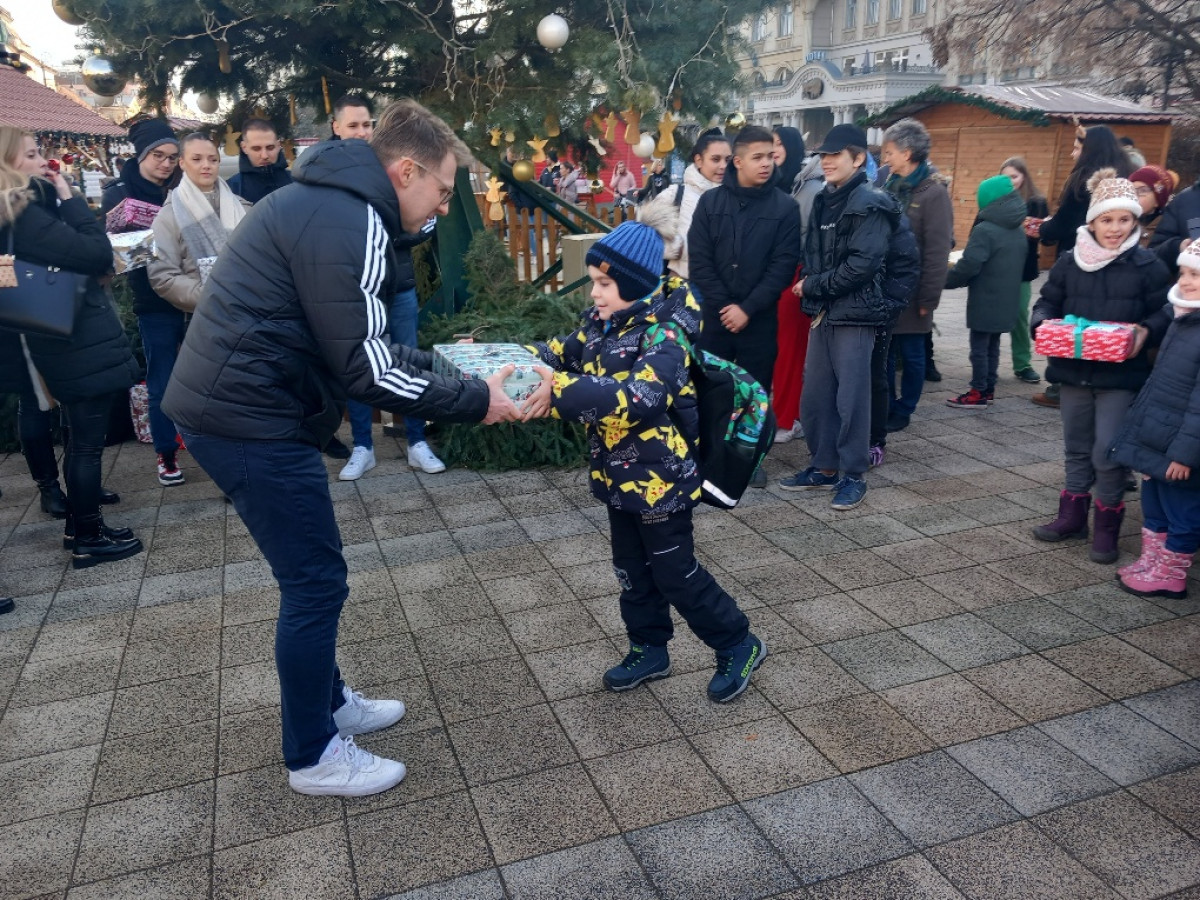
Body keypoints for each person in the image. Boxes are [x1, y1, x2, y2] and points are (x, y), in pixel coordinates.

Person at [161, 99, 526, 797]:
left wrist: (457, 370)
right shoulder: (350, 216)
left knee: (311, 578)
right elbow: (368, 372)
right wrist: (481, 402)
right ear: (407, 169)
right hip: (248, 419)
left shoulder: (335, 202)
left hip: (247, 410)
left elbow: (365, 345)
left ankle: (326, 705)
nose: (445, 207)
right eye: (444, 190)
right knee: (314, 584)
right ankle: (314, 755)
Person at [523, 214, 766, 702]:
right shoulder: (601, 323)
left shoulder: (665, 334)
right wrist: (499, 360)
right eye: (595, 282)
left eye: (605, 283)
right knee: (631, 570)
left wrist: (561, 390)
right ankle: (648, 648)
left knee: (675, 572)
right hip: (617, 476)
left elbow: (643, 397)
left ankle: (737, 643)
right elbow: (555, 353)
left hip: (662, 480)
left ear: (634, 283)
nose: (595, 294)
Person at [0, 127, 143, 567]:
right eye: (30, 154)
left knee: (77, 437)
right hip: (74, 336)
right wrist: (69, 195)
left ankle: (80, 525)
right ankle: (88, 537)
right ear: (7, 164)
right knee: (84, 444)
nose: (42, 160)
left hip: (53, 333)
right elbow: (98, 252)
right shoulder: (24, 214)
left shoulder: (17, 215)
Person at [1030, 170, 1171, 564]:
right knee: (1076, 447)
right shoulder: (1069, 263)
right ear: (1091, 221)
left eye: (1124, 219)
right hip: (1073, 372)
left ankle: (1106, 526)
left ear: (1135, 221)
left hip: (1120, 377)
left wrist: (1147, 331)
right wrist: (1041, 323)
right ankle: (1071, 517)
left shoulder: (1147, 266)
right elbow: (1047, 303)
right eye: (1107, 219)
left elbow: (1165, 311)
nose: (1115, 228)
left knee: (1108, 452)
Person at [781, 124, 899, 510]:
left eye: (836, 155)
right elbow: (813, 254)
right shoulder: (822, 200)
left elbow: (861, 266)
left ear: (859, 158)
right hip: (823, 313)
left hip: (856, 314)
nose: (827, 162)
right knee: (816, 396)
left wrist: (813, 286)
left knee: (853, 398)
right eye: (823, 156)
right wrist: (811, 285)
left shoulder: (871, 202)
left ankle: (853, 474)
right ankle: (824, 465)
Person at [333, 98, 446, 480]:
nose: (362, 132)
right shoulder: (340, 175)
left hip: (400, 288)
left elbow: (425, 227)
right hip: (362, 292)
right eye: (353, 126)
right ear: (337, 129)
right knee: (360, 363)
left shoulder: (396, 167)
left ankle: (416, 441)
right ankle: (363, 445)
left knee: (409, 361)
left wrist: (393, 230)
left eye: (368, 124)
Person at [688, 124, 801, 487]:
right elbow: (700, 259)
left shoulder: (785, 207)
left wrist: (748, 309)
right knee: (710, 389)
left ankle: (748, 462)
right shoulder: (711, 202)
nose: (767, 163)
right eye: (758, 157)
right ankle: (707, 457)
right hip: (716, 319)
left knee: (754, 393)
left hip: (759, 320)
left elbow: (783, 267)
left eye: (771, 156)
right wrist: (725, 307)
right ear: (738, 161)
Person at [1110, 242, 1200, 598]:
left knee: (1182, 510)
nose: (1187, 281)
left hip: (1182, 447)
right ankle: (1153, 560)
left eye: (1196, 274)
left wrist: (1184, 454)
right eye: (1184, 272)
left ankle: (1172, 573)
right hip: (1158, 435)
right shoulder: (1183, 318)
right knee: (1155, 502)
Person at [101, 117, 185, 487]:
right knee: (162, 379)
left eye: (172, 157)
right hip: (153, 300)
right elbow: (118, 257)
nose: (166, 164)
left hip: (195, 295)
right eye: (158, 156)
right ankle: (165, 454)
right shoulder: (118, 193)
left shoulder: (183, 187)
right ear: (140, 155)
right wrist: (160, 235)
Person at [1032, 125, 1135, 410]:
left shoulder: (1082, 181)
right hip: (1117, 262)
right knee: (1105, 319)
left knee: (1073, 319)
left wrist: (1042, 229)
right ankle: (1100, 381)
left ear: (1089, 149)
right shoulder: (1123, 174)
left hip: (1080, 259)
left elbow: (1065, 222)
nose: (1071, 153)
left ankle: (1060, 386)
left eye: (1077, 148)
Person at [880, 118, 953, 432]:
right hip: (885, 287)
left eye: (889, 152)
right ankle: (885, 403)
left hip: (914, 291)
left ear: (907, 153)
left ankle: (904, 408)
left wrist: (929, 298)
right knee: (883, 354)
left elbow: (938, 252)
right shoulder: (887, 186)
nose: (885, 159)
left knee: (911, 355)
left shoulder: (933, 193)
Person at [943, 175, 1029, 407]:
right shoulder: (1018, 230)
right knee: (992, 347)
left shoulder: (985, 230)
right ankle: (988, 388)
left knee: (979, 349)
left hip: (986, 299)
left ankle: (977, 391)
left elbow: (969, 265)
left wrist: (943, 280)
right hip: (1007, 300)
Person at [148, 133, 249, 314]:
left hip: (250, 308)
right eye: (196, 159)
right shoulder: (168, 216)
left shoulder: (243, 208)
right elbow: (163, 277)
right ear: (182, 163)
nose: (206, 166)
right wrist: (213, 295)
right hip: (203, 315)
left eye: (213, 160)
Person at [769, 126, 817, 446]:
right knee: (777, 350)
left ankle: (789, 418)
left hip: (796, 277)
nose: (772, 151)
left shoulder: (810, 189)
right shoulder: (777, 182)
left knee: (790, 351)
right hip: (774, 276)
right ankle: (782, 411)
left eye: (777, 144)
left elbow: (814, 241)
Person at [640, 129, 731, 281]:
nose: (723, 165)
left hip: (724, 288)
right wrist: (678, 248)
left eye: (727, 160)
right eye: (716, 159)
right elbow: (645, 233)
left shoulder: (736, 196)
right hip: (683, 284)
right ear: (699, 160)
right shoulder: (677, 194)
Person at [1000, 157, 1050, 384]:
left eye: (1015, 176)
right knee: (990, 317)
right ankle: (986, 363)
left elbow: (1045, 234)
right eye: (1006, 176)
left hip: (1022, 269)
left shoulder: (1036, 201)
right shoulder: (995, 199)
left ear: (1024, 177)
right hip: (997, 268)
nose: (1010, 181)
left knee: (1020, 315)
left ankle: (1022, 363)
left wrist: (1034, 227)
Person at [227, 118, 293, 203]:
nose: (264, 155)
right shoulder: (231, 189)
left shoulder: (297, 183)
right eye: (256, 149)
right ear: (244, 148)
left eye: (270, 148)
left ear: (278, 145)